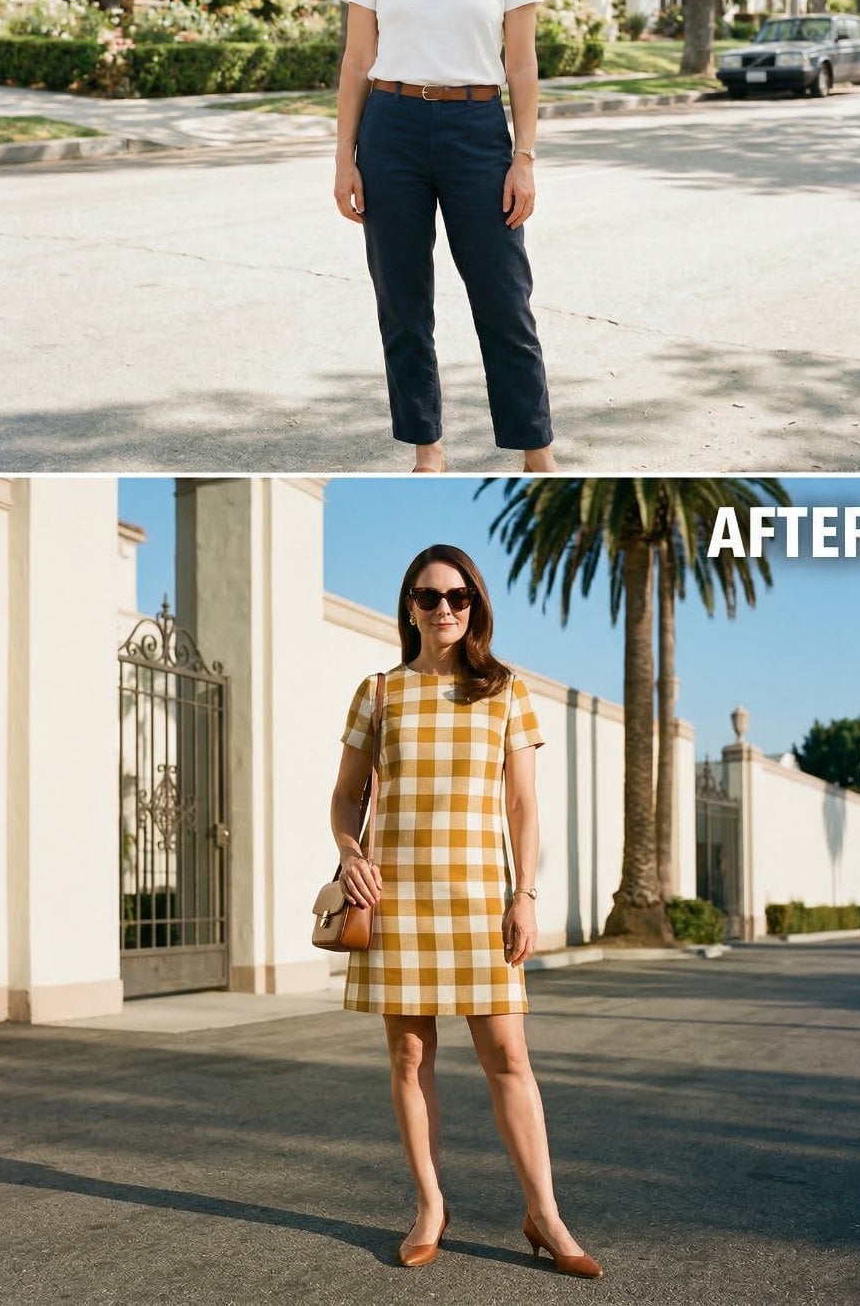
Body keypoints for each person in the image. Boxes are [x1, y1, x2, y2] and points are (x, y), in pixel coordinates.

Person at [329, 544, 602, 1277]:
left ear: (475, 605)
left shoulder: (505, 691)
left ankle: (544, 1214)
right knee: (409, 1055)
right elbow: (346, 796)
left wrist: (525, 894)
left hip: (482, 899)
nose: (443, 608)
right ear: (409, 606)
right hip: (395, 897)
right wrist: (350, 853)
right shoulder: (379, 692)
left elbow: (523, 806)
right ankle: (429, 1206)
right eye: (428, 596)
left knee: (508, 1056)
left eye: (458, 596)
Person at [333, 0, 555, 475]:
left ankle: (537, 450)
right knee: (403, 302)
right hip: (391, 129)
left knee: (504, 298)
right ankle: (427, 447)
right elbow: (356, 62)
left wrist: (524, 158)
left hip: (476, 130)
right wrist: (345, 159)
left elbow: (522, 64)